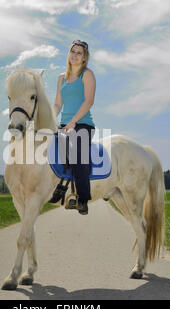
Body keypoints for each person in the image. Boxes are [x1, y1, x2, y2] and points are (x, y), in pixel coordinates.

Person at [52, 40, 96, 215]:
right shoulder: (61, 78)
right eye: (73, 51)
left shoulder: (87, 74)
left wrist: (74, 121)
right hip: (64, 125)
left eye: (79, 53)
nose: (75, 55)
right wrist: (48, 119)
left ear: (84, 58)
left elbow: (89, 101)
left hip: (83, 124)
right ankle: (57, 187)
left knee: (77, 151)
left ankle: (83, 199)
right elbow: (57, 104)